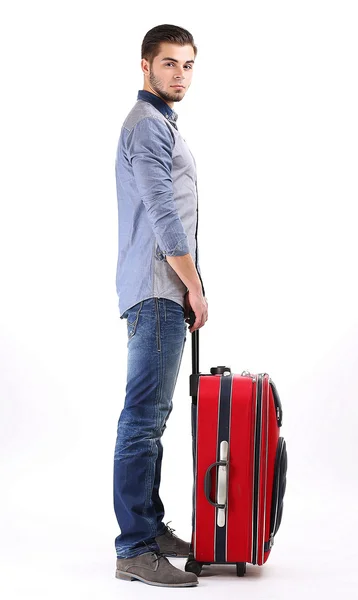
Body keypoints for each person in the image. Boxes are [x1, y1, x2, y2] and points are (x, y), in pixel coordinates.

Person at [113, 23, 208, 588]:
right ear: (145, 66)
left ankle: (148, 528)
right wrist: (194, 286)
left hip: (157, 287)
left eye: (188, 65)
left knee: (152, 419)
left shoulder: (159, 123)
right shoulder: (148, 126)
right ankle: (135, 548)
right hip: (158, 289)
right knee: (143, 421)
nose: (180, 75)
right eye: (169, 63)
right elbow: (162, 213)